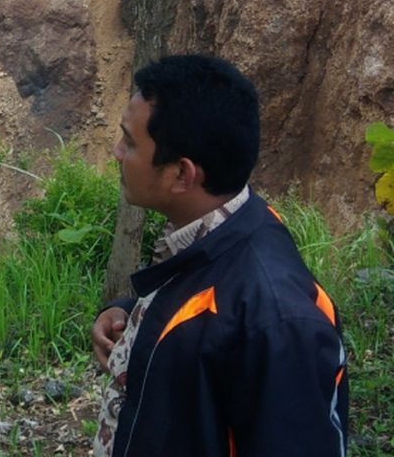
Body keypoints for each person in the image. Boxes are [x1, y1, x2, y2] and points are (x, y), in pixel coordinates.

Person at [91, 54, 347, 457]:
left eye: (130, 141)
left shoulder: (278, 323)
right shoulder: (214, 230)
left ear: (182, 174)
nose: (116, 151)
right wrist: (131, 314)